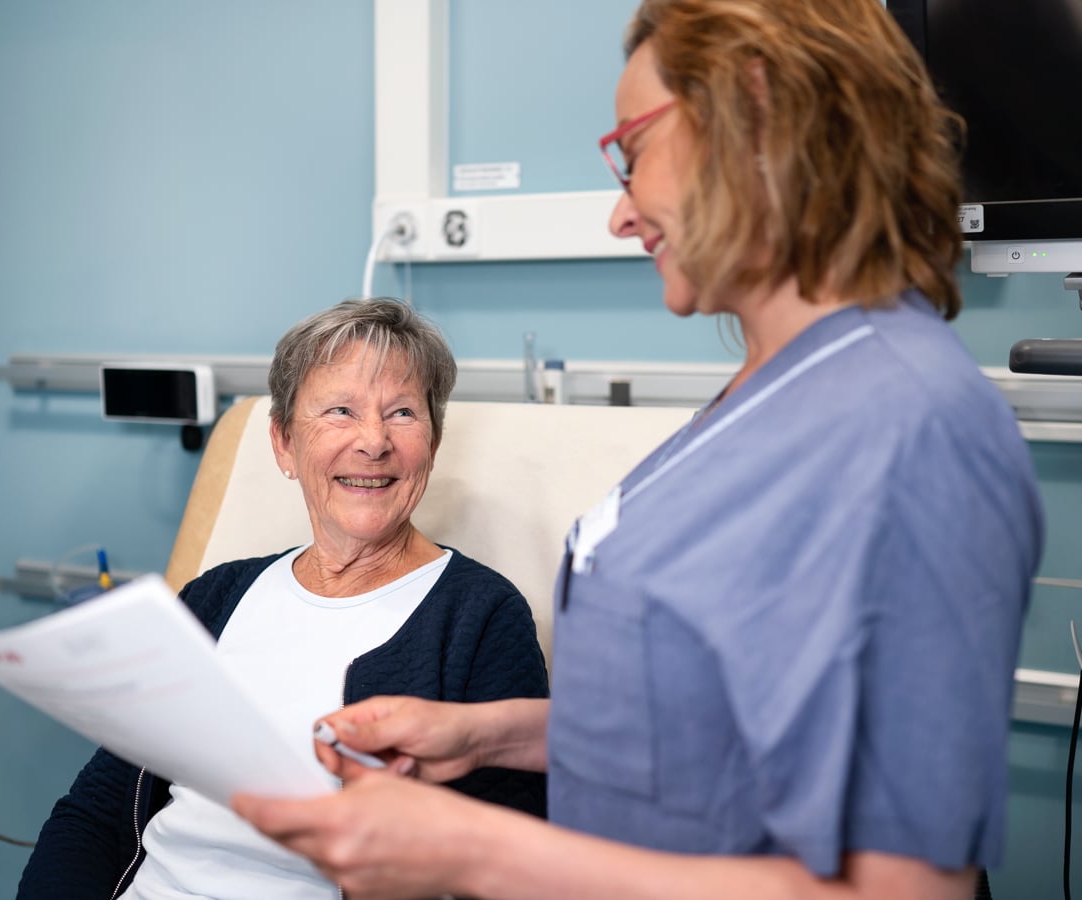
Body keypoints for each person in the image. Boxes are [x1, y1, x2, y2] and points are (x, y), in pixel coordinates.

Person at [231, 2, 1044, 898]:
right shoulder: (776, 392)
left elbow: (905, 891)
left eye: (633, 151)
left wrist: (468, 850)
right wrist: (482, 737)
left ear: (757, 120)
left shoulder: (909, 426)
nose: (621, 215)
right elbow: (704, 731)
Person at [16, 298, 549, 899]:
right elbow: (96, 809)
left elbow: (510, 856)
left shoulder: (480, 615)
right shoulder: (213, 597)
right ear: (283, 443)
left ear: (434, 440)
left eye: (402, 412)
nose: (373, 442)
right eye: (341, 411)